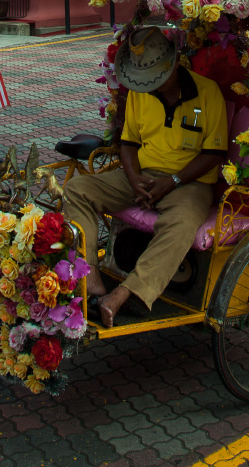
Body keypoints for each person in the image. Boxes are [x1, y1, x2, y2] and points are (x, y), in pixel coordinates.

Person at [63, 22, 228, 327]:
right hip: (141, 175)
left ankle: (126, 293)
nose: (150, 85)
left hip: (188, 182)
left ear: (175, 64)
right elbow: (128, 143)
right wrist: (134, 179)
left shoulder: (207, 93)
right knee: (77, 189)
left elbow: (214, 153)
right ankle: (91, 277)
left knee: (181, 223)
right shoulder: (140, 92)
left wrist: (173, 182)